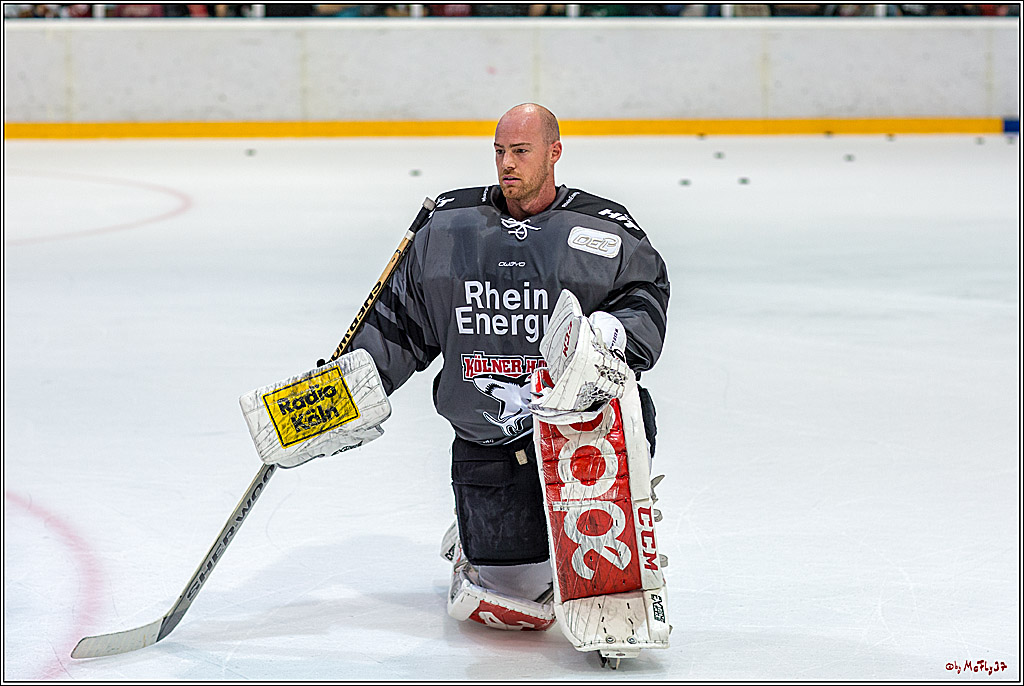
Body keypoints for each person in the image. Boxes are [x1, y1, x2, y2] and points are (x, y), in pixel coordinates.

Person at [347, 103, 670, 630]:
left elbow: (644, 295)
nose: (507, 164)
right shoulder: (450, 227)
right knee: (514, 603)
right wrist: (343, 392)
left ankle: (623, 515)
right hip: (489, 440)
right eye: (499, 152)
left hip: (581, 432)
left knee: (623, 424)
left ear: (554, 153)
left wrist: (611, 335)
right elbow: (401, 321)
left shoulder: (602, 228)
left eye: (521, 151)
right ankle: (476, 535)